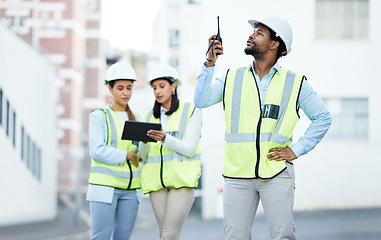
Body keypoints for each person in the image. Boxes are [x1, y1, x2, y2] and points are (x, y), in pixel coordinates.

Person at [194, 16, 332, 240]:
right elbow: (201, 100)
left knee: (283, 236)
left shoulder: (295, 82)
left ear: (274, 44)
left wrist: (297, 149)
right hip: (237, 174)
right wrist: (209, 63)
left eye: (259, 33)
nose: (251, 35)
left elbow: (323, 118)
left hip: (276, 173)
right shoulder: (231, 77)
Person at [139, 64, 202, 240]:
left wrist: (165, 138)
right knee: (163, 233)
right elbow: (144, 156)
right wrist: (142, 144)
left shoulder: (191, 111)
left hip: (181, 182)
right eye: (154, 88)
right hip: (156, 183)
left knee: (169, 234)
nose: (157, 91)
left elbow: (190, 149)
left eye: (162, 86)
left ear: (173, 86)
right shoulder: (148, 116)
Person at [86, 62, 141, 240]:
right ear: (110, 89)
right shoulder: (99, 116)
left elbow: (141, 154)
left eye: (129, 88)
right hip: (104, 187)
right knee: (100, 237)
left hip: (130, 190)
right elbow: (96, 150)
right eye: (120, 88)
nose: (125, 93)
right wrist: (127, 155)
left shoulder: (137, 118)